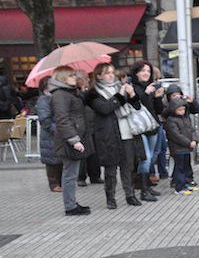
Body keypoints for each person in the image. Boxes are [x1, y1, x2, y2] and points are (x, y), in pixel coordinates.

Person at [86, 63, 143, 208]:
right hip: (108, 134)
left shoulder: (120, 87)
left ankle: (130, 195)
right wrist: (120, 95)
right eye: (107, 73)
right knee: (110, 168)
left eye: (112, 72)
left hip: (127, 132)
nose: (111, 75)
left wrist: (132, 94)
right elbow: (105, 108)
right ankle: (110, 198)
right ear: (99, 76)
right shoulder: (92, 93)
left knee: (128, 166)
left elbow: (136, 106)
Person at [50, 66, 95, 216]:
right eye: (71, 75)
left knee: (71, 174)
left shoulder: (70, 92)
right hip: (68, 140)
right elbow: (63, 119)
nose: (74, 77)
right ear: (62, 77)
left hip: (74, 137)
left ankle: (72, 203)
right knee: (70, 174)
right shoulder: (60, 94)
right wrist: (74, 140)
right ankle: (70, 206)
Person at [130, 61, 165, 201]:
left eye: (148, 71)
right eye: (143, 71)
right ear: (136, 73)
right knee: (146, 158)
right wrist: (146, 93)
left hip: (153, 126)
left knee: (153, 156)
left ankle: (147, 185)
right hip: (140, 128)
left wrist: (158, 97)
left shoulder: (150, 87)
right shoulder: (133, 88)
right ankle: (143, 190)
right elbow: (136, 106)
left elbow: (158, 110)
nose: (146, 73)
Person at [164, 83, 199, 188]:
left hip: (186, 136)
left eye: (178, 94)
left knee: (186, 162)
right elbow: (165, 114)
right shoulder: (169, 109)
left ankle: (188, 179)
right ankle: (177, 182)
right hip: (177, 142)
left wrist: (192, 102)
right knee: (177, 163)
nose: (176, 97)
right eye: (173, 96)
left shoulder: (184, 106)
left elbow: (196, 110)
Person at [35, 77, 62, 192]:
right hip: (50, 135)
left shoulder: (56, 97)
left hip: (59, 133)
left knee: (59, 159)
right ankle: (54, 183)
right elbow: (45, 120)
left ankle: (60, 182)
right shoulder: (43, 100)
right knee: (51, 161)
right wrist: (57, 130)